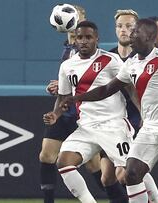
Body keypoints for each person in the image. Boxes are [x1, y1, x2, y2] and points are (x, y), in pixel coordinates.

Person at [59, 18, 158, 203]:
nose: (131, 35)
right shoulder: (131, 63)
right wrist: (78, 97)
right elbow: (107, 89)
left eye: (136, 32)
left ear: (150, 36)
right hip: (149, 129)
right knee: (131, 174)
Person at [39, 6, 103, 203]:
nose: (74, 21)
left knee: (96, 169)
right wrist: (56, 87)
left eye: (78, 17)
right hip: (64, 112)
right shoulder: (67, 50)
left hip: (83, 116)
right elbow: (67, 80)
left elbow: (93, 81)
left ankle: (122, 195)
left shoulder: (91, 51)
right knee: (47, 156)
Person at [109, 9, 158, 203]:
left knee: (128, 170)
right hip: (111, 122)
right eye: (119, 26)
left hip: (136, 120)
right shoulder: (107, 58)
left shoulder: (145, 57)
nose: (124, 30)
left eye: (129, 26)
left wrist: (145, 114)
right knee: (109, 176)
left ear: (137, 30)